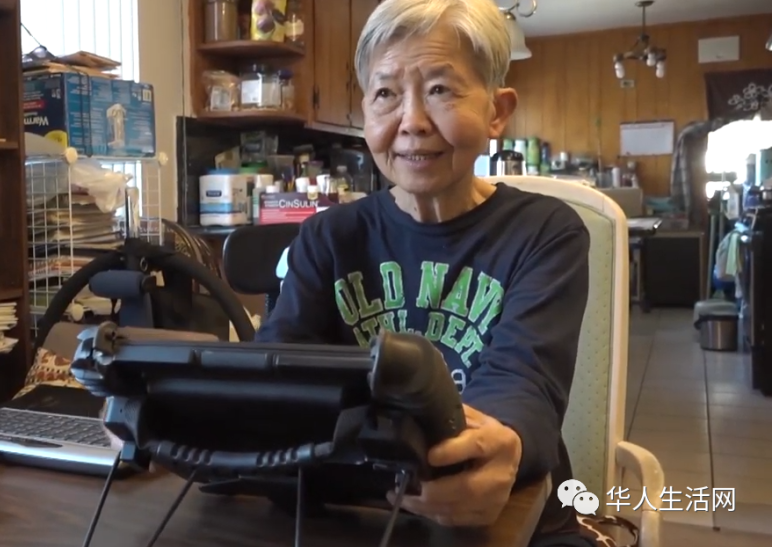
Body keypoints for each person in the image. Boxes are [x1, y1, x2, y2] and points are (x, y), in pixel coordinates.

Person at [254, 0, 595, 546]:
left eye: (440, 90)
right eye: (386, 94)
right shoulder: (327, 237)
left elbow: (525, 380)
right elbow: (278, 371)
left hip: (512, 517)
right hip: (354, 511)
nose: (412, 122)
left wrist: (493, 446)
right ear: (366, 113)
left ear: (497, 111)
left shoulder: (545, 232)